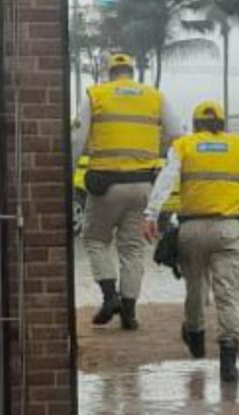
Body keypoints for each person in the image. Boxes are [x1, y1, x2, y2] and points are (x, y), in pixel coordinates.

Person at [72, 53, 183, 330]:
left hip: (106, 185)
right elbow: (176, 132)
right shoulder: (154, 97)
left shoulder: (96, 94)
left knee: (96, 240)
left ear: (110, 73)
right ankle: (130, 313)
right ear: (131, 72)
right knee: (132, 248)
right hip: (143, 184)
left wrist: (68, 169)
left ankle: (110, 297)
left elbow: (76, 138)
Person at [142, 101, 239, 383]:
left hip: (192, 228)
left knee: (195, 287)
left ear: (196, 123)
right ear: (222, 123)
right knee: (228, 293)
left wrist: (151, 213)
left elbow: (166, 179)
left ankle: (197, 337)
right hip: (229, 227)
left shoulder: (185, 145)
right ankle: (228, 360)